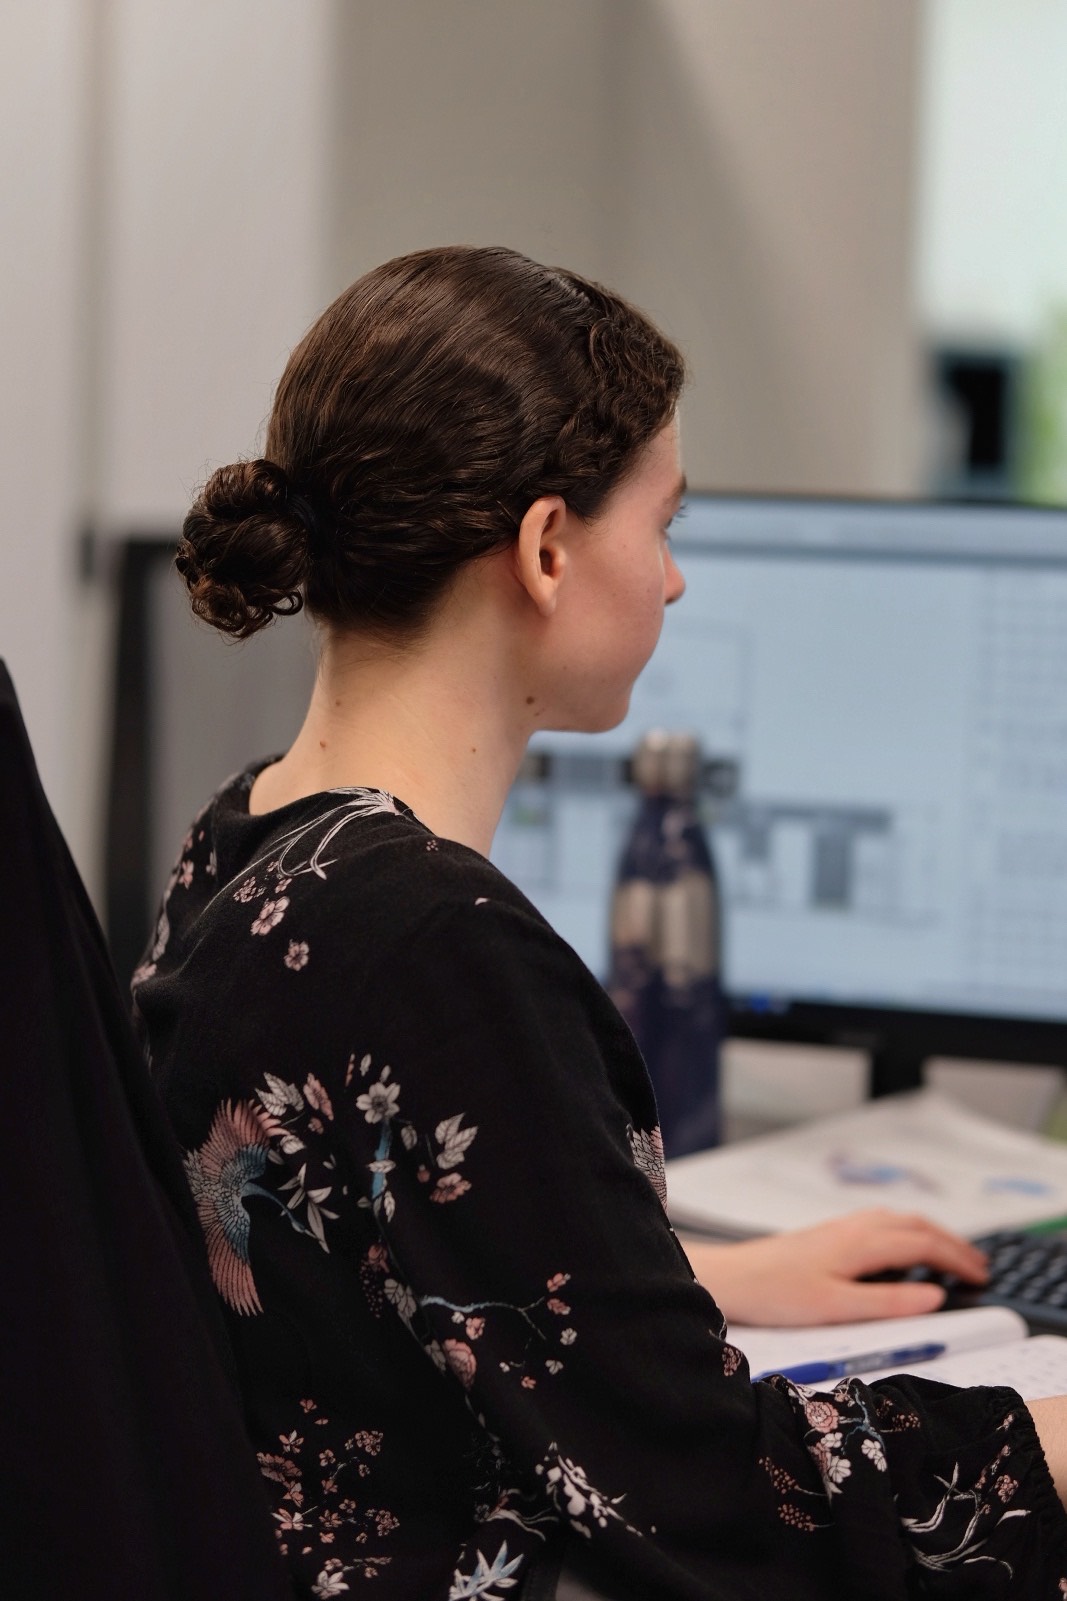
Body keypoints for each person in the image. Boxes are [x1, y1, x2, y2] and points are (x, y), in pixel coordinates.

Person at [134, 245, 1067, 1599]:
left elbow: (359, 1272)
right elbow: (726, 1504)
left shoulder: (250, 833)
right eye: (665, 524)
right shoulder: (438, 945)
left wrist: (703, 1275)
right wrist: (1051, 1439)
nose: (677, 582)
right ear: (549, 547)